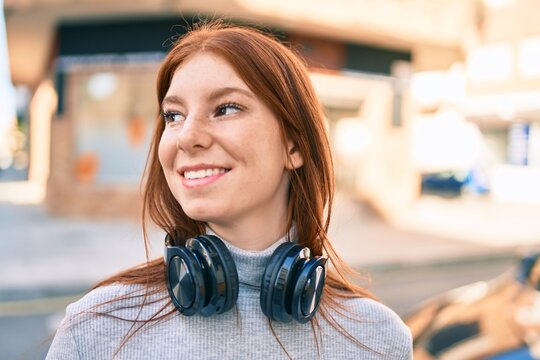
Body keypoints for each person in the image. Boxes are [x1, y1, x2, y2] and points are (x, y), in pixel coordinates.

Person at [46, 21, 412, 359]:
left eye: (226, 108)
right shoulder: (97, 328)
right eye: (173, 115)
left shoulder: (376, 339)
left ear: (295, 146)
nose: (186, 136)